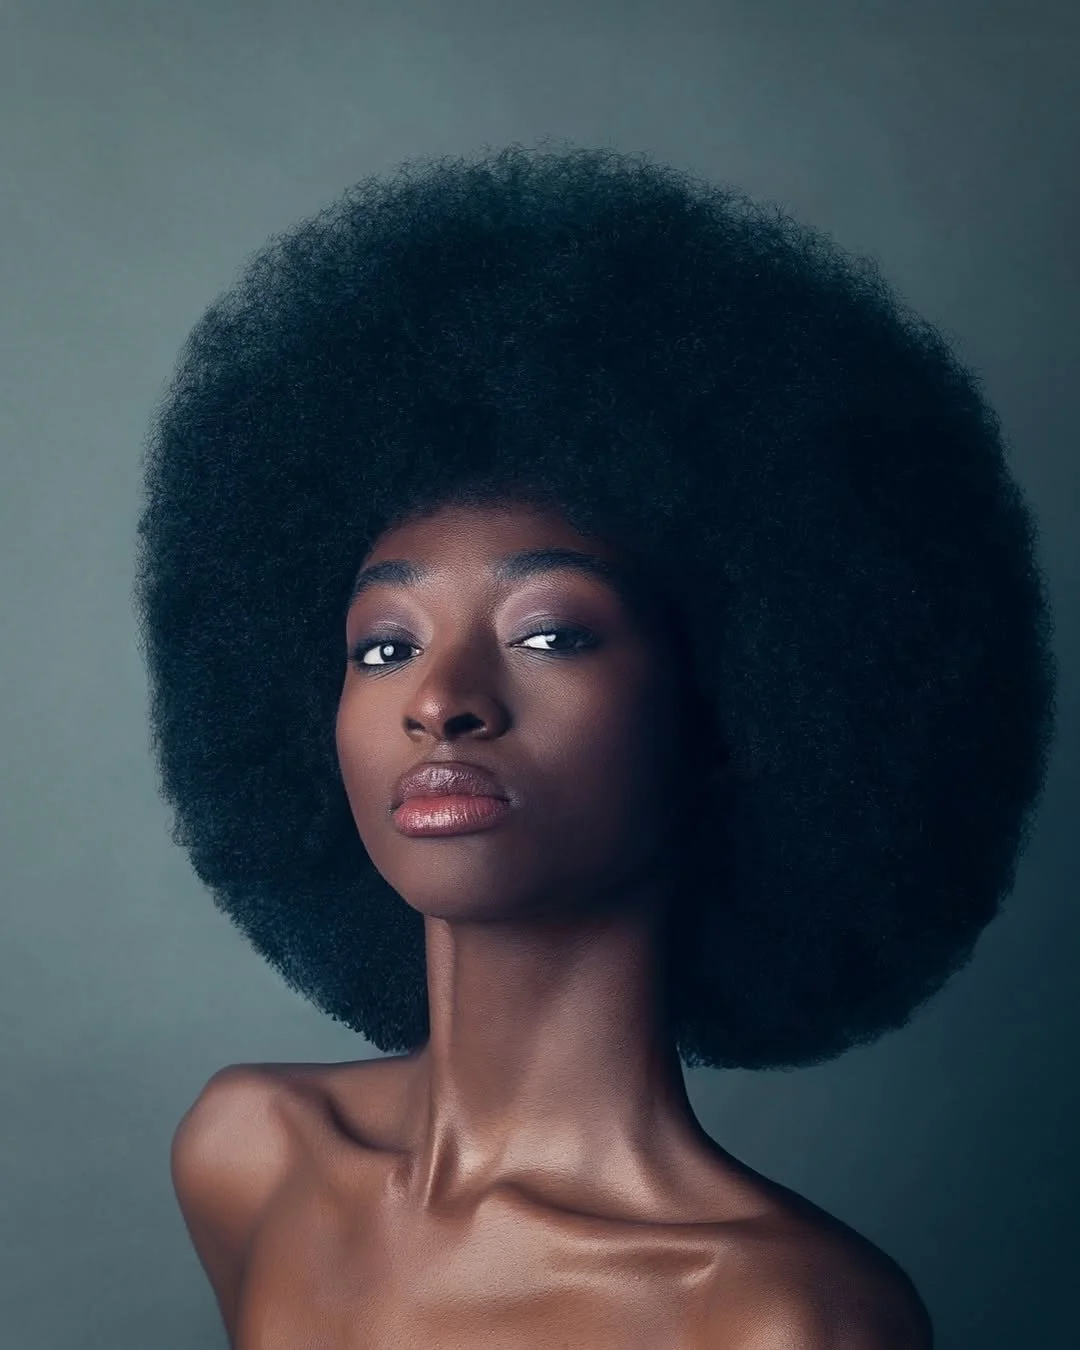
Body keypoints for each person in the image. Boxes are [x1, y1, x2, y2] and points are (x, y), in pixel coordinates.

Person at [133, 142, 1056, 1348]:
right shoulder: (249, 1155)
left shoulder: (777, 1320)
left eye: (554, 633)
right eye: (382, 647)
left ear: (728, 715)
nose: (441, 701)